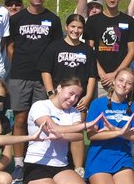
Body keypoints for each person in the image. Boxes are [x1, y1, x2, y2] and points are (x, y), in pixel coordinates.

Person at [6, 0, 63, 184]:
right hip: (20, 76)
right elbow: (10, 45)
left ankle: (40, 160)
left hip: (43, 78)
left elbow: (56, 49)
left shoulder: (53, 20)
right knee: (20, 119)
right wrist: (19, 63)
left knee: (41, 120)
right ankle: (19, 163)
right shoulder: (17, 19)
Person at [24, 76, 92, 184]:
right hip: (37, 164)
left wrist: (60, 135)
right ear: (59, 88)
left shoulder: (74, 112)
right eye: (71, 93)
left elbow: (78, 136)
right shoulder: (40, 105)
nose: (73, 99)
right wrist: (81, 126)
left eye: (77, 96)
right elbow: (51, 128)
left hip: (61, 166)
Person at [38, 13, 98, 172]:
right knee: (55, 130)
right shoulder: (54, 47)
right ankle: (53, 163)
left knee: (77, 132)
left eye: (79, 28)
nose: (76, 31)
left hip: (78, 100)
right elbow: (46, 71)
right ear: (66, 27)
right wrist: (51, 93)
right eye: (73, 26)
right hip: (58, 98)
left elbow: (92, 75)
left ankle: (77, 167)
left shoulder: (87, 50)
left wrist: (88, 96)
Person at [82, 68, 134, 184]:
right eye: (121, 80)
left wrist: (116, 131)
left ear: (132, 87)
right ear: (114, 81)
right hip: (99, 159)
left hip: (122, 159)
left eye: (128, 83)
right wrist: (121, 132)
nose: (123, 84)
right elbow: (91, 135)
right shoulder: (97, 104)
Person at [82, 0, 134, 94]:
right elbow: (88, 50)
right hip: (98, 79)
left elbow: (132, 51)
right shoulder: (93, 21)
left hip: (121, 80)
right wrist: (102, 74)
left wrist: (116, 74)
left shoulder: (128, 21)